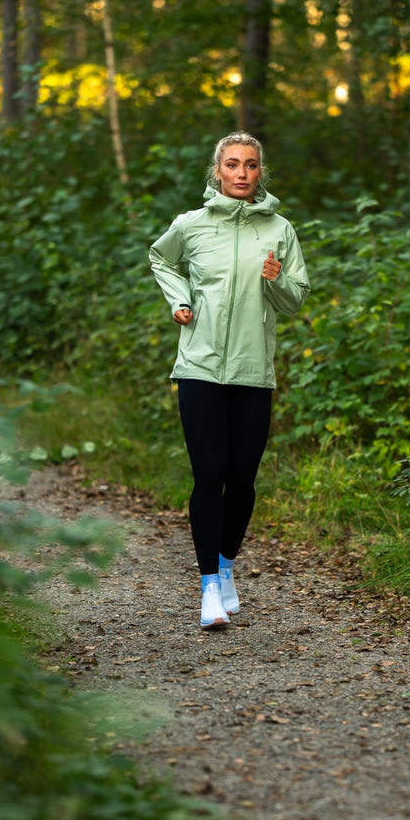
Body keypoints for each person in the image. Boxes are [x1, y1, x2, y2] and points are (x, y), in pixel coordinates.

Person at [149, 132, 310, 629]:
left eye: (252, 165)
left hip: (252, 371)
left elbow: (295, 298)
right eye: (233, 164)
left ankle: (226, 566)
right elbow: (160, 258)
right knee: (209, 476)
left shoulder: (279, 229)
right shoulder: (190, 225)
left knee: (242, 480)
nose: (242, 173)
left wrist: (276, 277)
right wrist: (179, 300)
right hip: (199, 365)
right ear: (217, 171)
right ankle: (208, 590)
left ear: (261, 173)